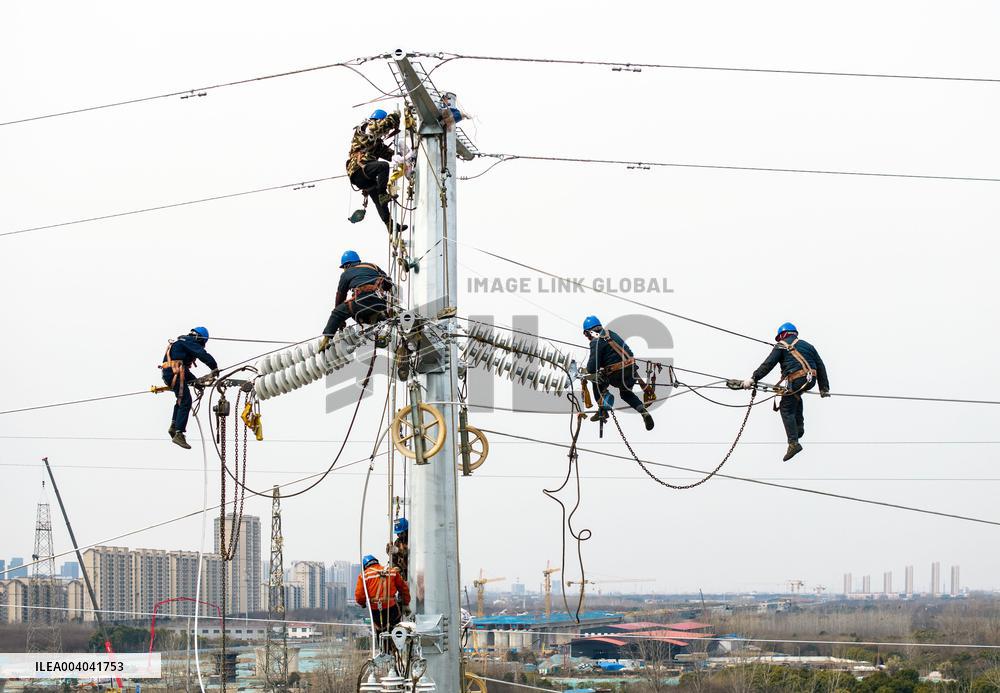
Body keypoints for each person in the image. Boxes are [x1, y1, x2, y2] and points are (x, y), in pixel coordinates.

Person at [743, 322, 830, 461]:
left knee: (785, 408)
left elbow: (768, 364)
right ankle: (798, 427)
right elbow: (820, 365)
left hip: (796, 379)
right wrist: (824, 388)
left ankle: (793, 443)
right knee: (795, 396)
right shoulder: (808, 346)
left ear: (782, 335)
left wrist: (754, 378)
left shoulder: (781, 345)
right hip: (811, 380)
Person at [583, 316, 654, 430]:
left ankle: (603, 408)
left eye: (586, 335)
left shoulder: (595, 341)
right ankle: (643, 411)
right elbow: (629, 352)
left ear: (588, 332)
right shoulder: (612, 334)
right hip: (631, 371)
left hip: (615, 375)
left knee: (595, 379)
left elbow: (592, 368)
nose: (587, 338)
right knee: (625, 393)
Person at [346, 109, 404, 233]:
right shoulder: (365, 127)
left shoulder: (375, 143)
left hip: (365, 177)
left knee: (378, 200)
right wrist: (394, 117)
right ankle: (383, 194)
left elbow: (389, 155)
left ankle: (389, 224)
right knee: (383, 167)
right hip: (358, 169)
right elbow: (379, 126)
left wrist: (403, 157)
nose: (385, 133)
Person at [160, 327, 218, 449]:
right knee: (186, 401)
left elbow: (183, 369)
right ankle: (179, 433)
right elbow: (201, 354)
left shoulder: (181, 342)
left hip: (172, 373)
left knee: (181, 400)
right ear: (199, 338)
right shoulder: (188, 341)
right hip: (175, 373)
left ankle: (174, 426)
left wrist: (196, 382)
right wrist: (214, 367)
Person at [321, 251, 393, 344]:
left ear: (347, 265)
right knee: (367, 310)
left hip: (361, 302)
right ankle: (378, 316)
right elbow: (388, 283)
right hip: (380, 301)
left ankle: (326, 340)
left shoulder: (346, 274)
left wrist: (340, 320)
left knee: (337, 313)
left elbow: (340, 296)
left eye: (344, 268)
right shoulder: (373, 266)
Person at [355, 554, 410, 637]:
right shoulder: (392, 572)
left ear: (364, 566)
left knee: (380, 632)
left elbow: (359, 596)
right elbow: (403, 589)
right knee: (395, 629)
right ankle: (397, 642)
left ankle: (382, 643)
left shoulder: (364, 576)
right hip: (392, 608)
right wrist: (406, 604)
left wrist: (363, 604)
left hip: (376, 610)